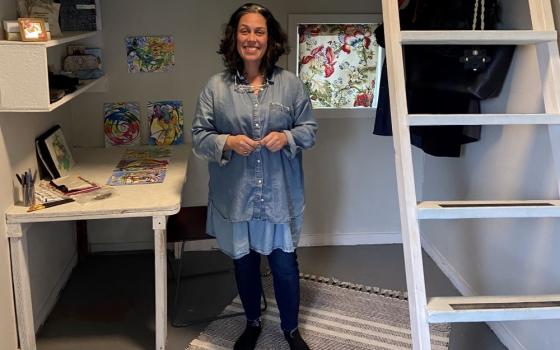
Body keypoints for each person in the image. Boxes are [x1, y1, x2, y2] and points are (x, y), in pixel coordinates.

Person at [191, 3, 317, 350]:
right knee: (245, 266)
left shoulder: (291, 85)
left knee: (285, 267)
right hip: (237, 196)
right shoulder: (215, 88)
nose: (251, 38)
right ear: (234, 37)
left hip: (279, 196)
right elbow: (199, 138)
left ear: (269, 38)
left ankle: (291, 330)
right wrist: (227, 141)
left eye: (259, 31)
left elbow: (310, 130)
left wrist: (287, 137)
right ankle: (252, 323)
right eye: (244, 30)